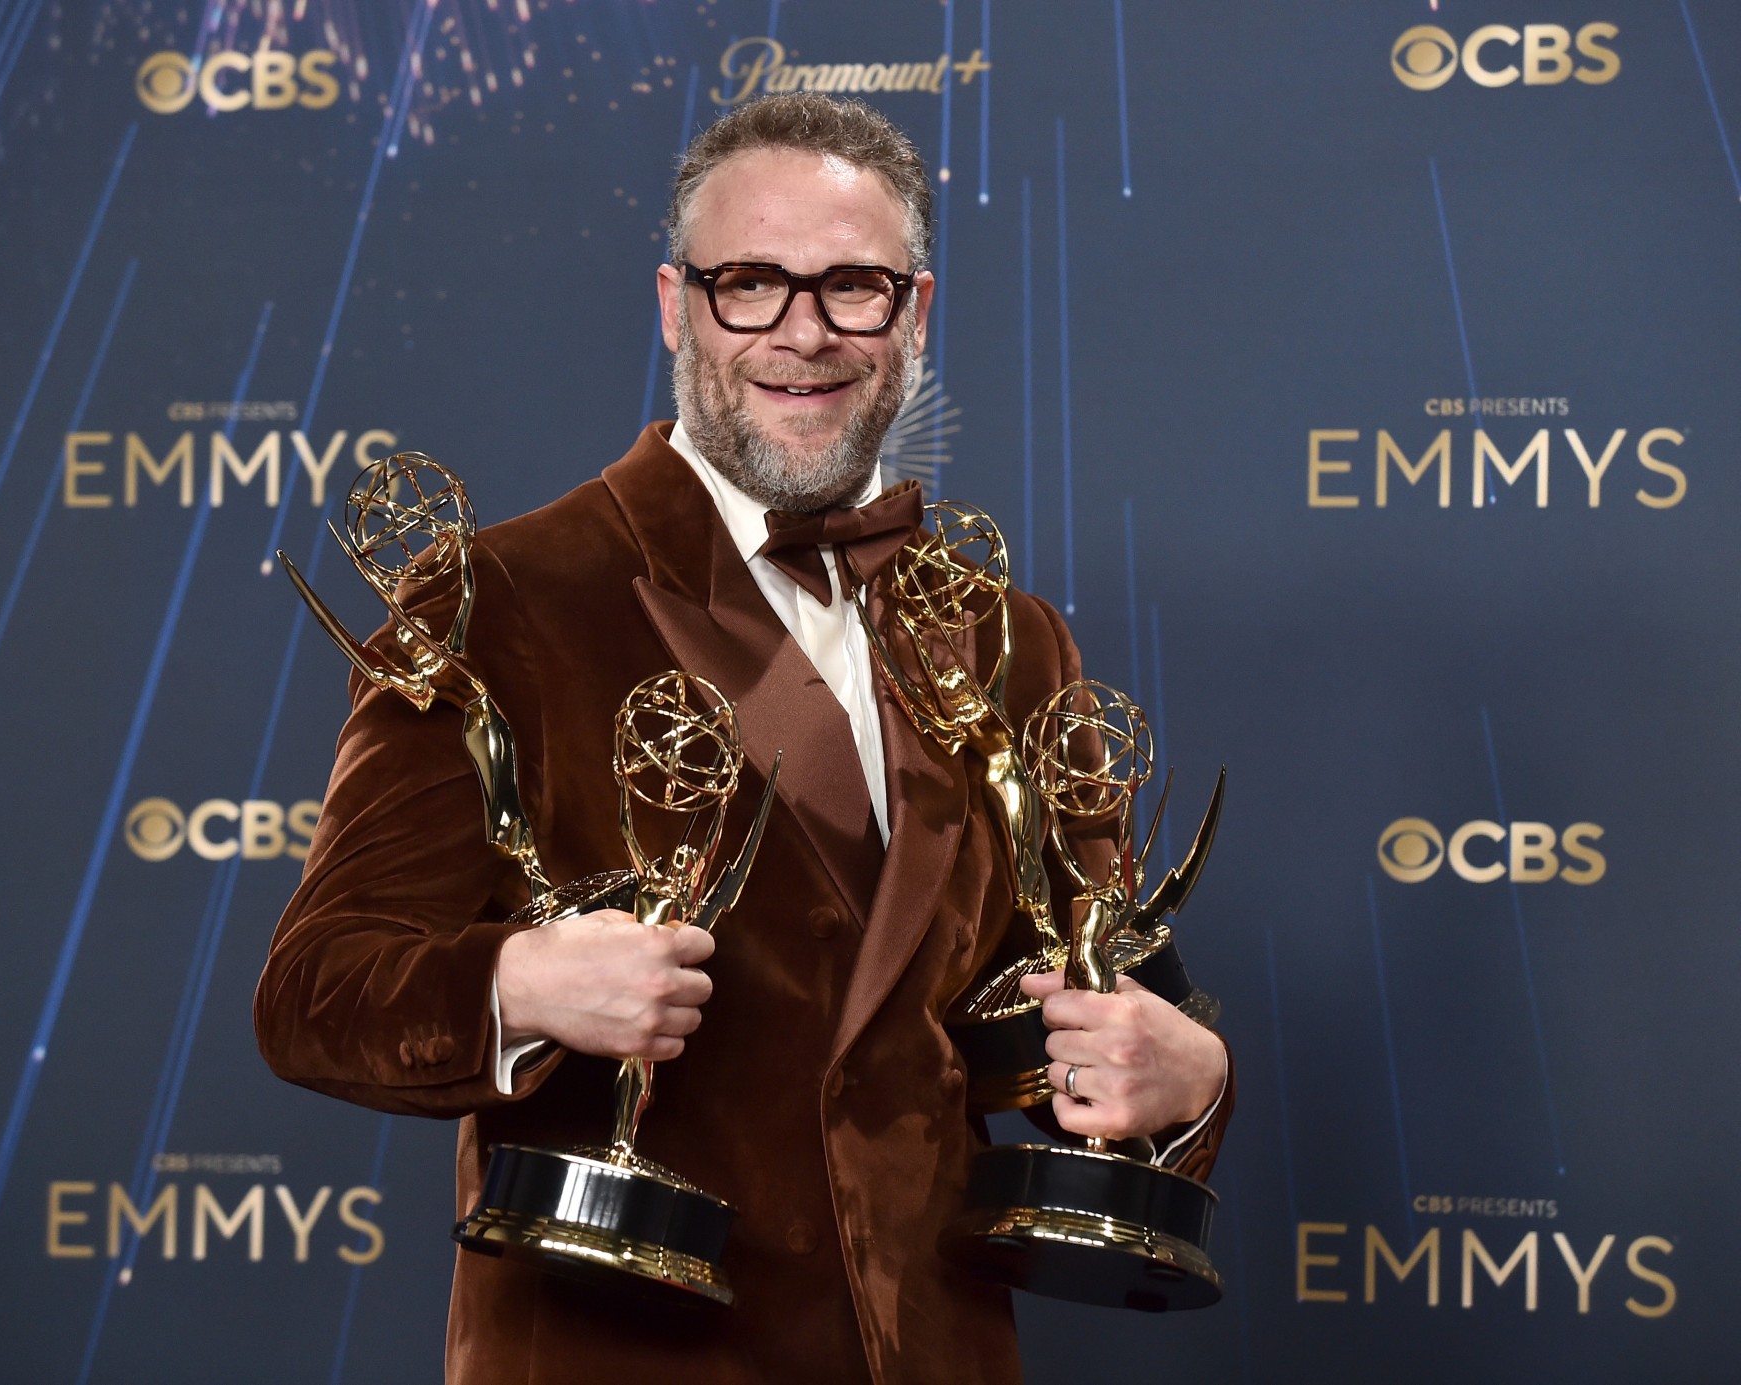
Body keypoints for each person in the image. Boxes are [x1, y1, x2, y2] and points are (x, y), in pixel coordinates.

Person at [254, 92, 1229, 1384]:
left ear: (915, 316)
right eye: (750, 285)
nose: (804, 333)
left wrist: (1187, 1076)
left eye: (853, 289)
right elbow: (313, 991)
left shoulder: (1014, 640)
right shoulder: (501, 599)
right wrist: (522, 986)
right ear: (674, 305)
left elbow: (1082, 1009)